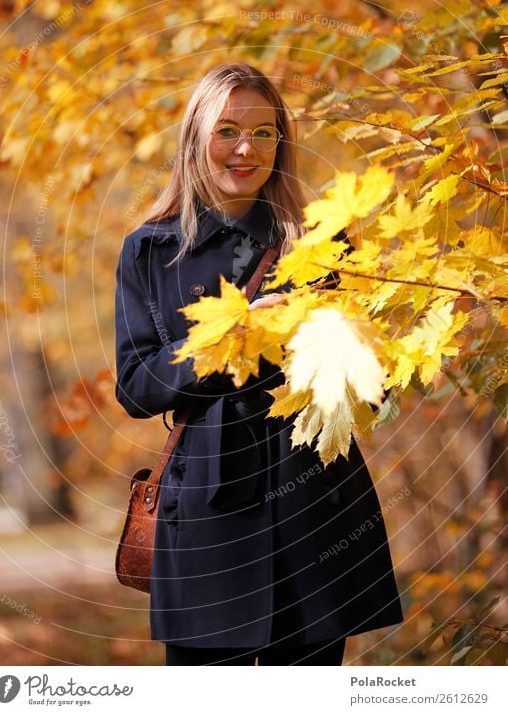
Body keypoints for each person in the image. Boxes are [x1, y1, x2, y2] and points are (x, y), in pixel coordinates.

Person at [114, 62, 403, 666]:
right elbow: (137, 389)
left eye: (263, 132)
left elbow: (373, 390)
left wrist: (324, 341)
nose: (245, 149)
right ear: (197, 138)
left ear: (281, 141)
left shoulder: (323, 242)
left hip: (316, 499)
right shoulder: (151, 250)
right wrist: (231, 339)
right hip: (206, 510)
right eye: (227, 130)